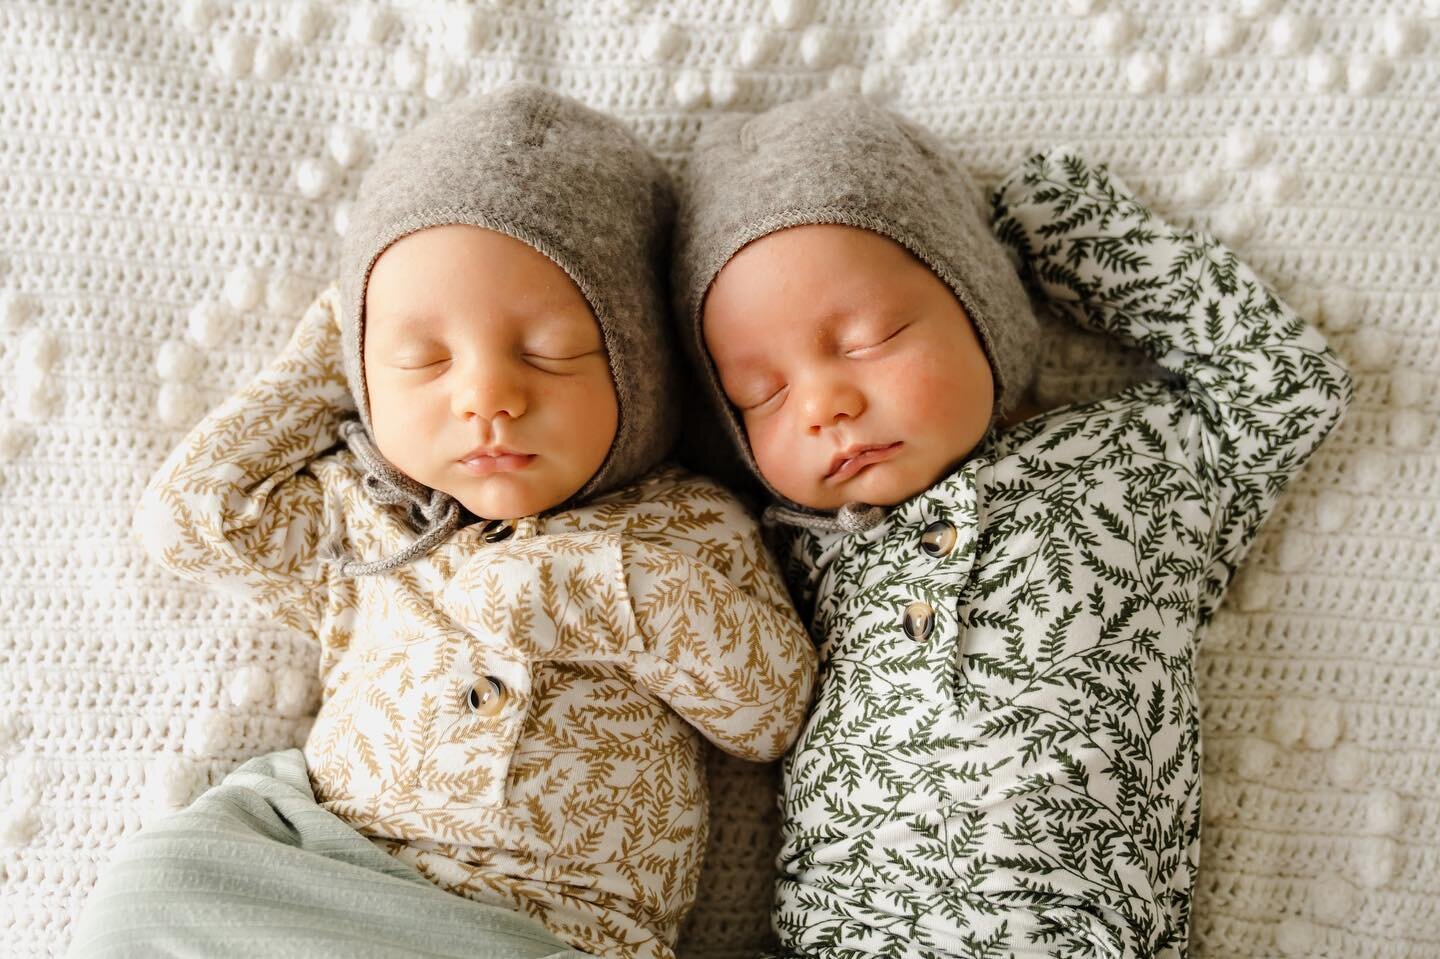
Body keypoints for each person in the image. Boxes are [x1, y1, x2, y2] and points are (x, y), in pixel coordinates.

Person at [68, 82, 816, 959]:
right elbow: (191, 517)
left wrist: (594, 590)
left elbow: (771, 710)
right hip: (331, 878)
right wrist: (331, 343)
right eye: (421, 358)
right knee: (158, 887)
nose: (487, 397)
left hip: (547, 928)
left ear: (640, 366)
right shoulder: (363, 520)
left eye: (548, 353)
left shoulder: (682, 522)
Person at [671, 91, 1354, 958]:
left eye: (869, 337)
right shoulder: (793, 547)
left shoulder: (1132, 462)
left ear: (981, 307)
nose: (823, 405)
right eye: (759, 394)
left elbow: (1289, 385)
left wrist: (1070, 231)